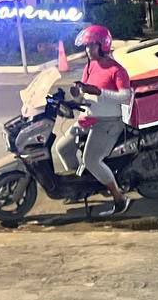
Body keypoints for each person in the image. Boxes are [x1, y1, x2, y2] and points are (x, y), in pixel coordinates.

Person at [52, 24, 133, 215]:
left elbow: (126, 96)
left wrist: (99, 92)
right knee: (63, 148)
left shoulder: (116, 70)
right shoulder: (90, 66)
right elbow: (85, 92)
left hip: (109, 121)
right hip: (88, 117)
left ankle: (119, 198)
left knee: (91, 160)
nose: (88, 50)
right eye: (86, 46)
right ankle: (80, 186)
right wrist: (77, 95)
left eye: (91, 45)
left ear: (103, 46)